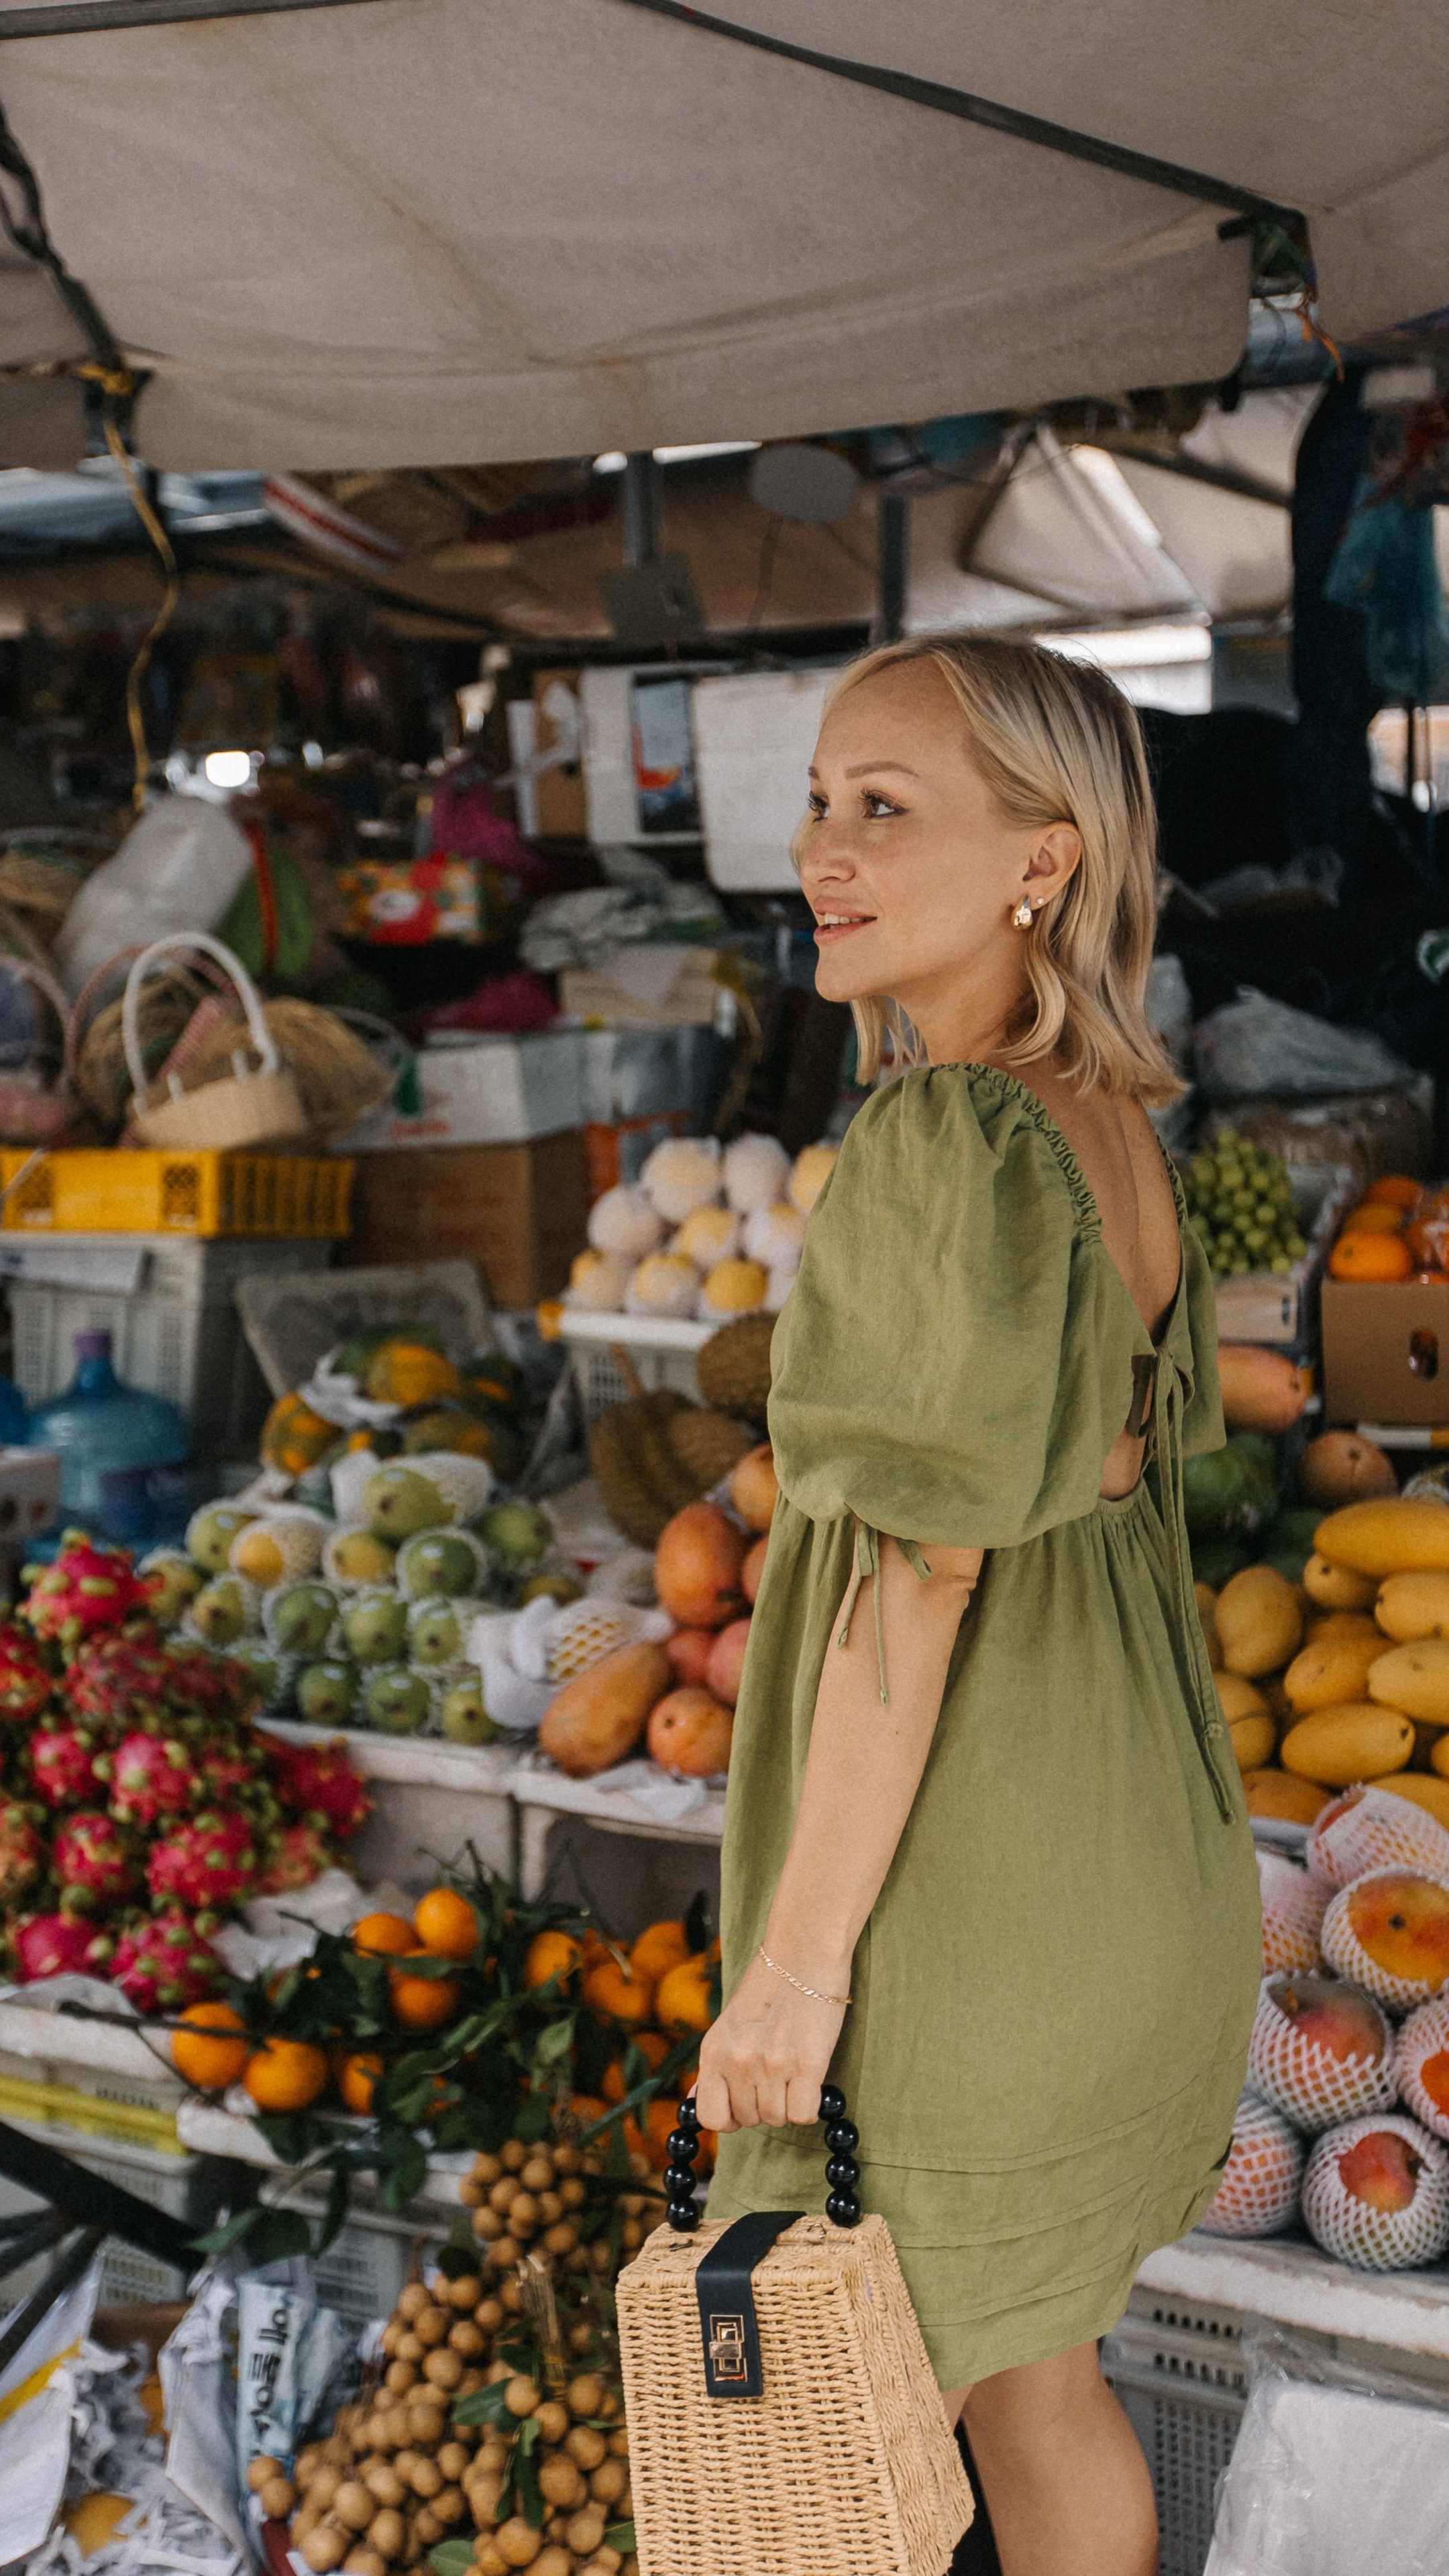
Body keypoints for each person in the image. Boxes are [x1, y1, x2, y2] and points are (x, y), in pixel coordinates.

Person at [695, 635, 1260, 2576]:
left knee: (809, 2488)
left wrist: (793, 1969)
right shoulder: (1109, 1127)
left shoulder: (945, 1140)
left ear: (1047, 856)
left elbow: (915, 1588)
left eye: (886, 808)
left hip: (973, 1904)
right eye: (821, 802)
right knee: (1039, 2386)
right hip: (1127, 1882)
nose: (821, 852)